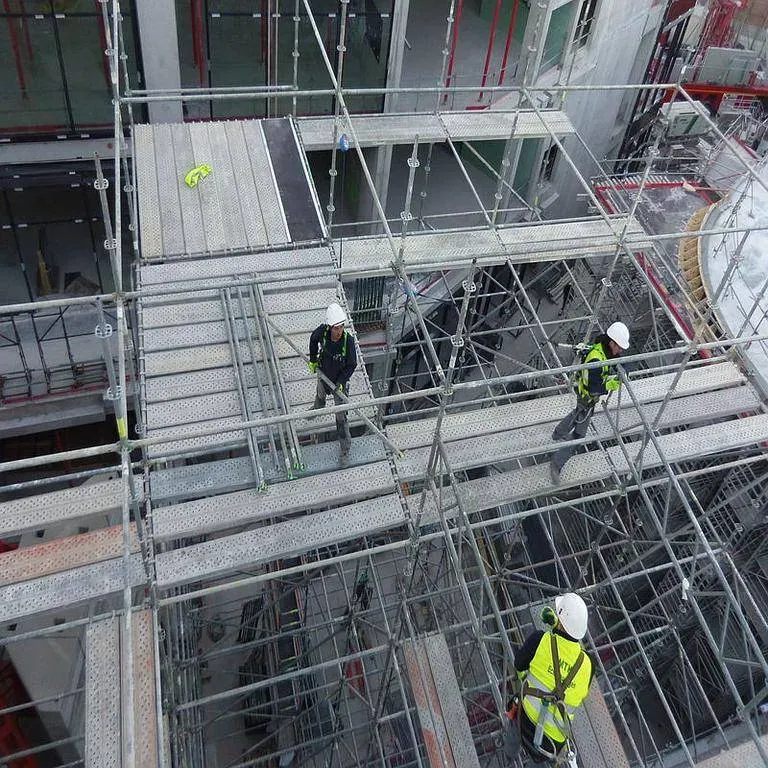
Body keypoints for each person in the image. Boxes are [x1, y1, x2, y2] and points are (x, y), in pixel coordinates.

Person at [504, 593, 594, 764]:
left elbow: (519, 664)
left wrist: (553, 630)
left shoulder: (540, 640)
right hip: (553, 744)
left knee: (515, 710)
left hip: (525, 722)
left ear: (560, 620)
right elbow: (571, 653)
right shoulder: (588, 665)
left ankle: (509, 756)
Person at [550, 322, 630, 484]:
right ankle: (556, 464)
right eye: (619, 347)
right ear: (612, 342)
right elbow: (595, 388)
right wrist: (616, 383)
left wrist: (623, 366)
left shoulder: (602, 349)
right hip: (588, 396)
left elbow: (616, 359)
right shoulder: (596, 360)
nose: (620, 351)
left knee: (578, 413)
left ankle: (557, 433)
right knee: (579, 436)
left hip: (584, 398)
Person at [308, 303, 357, 462]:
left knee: (341, 416)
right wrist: (313, 360)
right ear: (330, 327)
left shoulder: (347, 341)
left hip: (339, 381)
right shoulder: (322, 332)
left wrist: (341, 382)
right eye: (336, 328)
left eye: (341, 327)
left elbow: (352, 364)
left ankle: (345, 448)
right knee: (320, 394)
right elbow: (313, 340)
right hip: (324, 374)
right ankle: (317, 408)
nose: (339, 331)